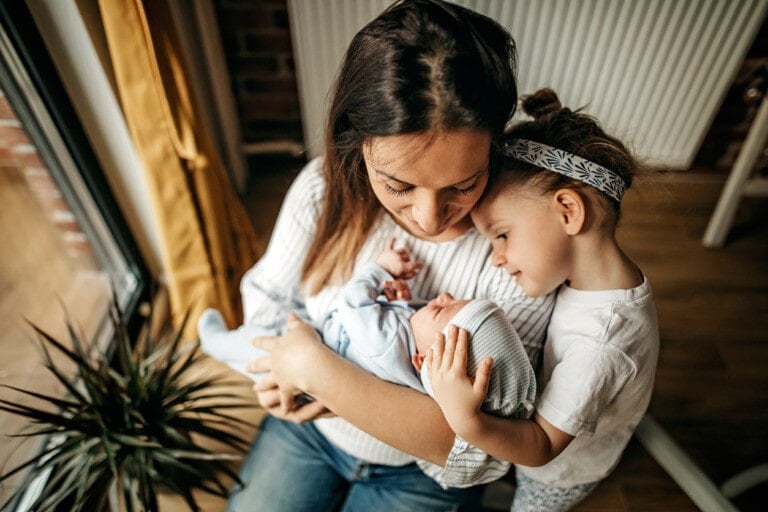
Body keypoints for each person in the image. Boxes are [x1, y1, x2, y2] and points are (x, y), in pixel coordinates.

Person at [226, 1, 556, 510]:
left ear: (494, 146)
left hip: (423, 474)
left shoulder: (521, 250)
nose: (428, 217)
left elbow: (485, 448)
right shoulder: (321, 190)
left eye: (463, 184)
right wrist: (273, 372)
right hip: (311, 434)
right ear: (356, 145)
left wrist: (319, 374)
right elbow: (269, 294)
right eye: (398, 185)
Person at [425, 88, 660, 511]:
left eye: (502, 235)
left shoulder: (602, 345)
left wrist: (467, 419)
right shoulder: (599, 279)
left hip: (558, 472)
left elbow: (540, 446)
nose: (496, 259)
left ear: (568, 211)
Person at [198, 239, 536, 419]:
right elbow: (414, 325)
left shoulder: (387, 344)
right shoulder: (420, 372)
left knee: (251, 345)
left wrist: (380, 269)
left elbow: (353, 303)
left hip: (299, 359)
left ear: (422, 361)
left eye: (441, 308)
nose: (443, 295)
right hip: (318, 342)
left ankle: (216, 343)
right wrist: (405, 300)